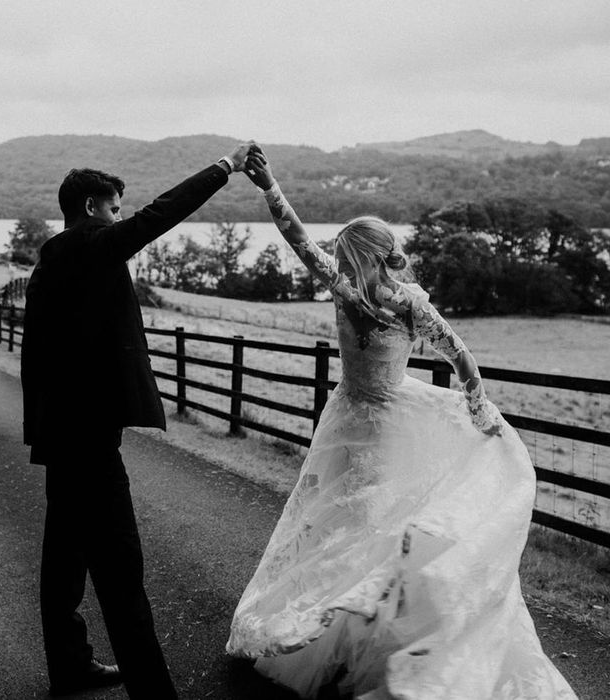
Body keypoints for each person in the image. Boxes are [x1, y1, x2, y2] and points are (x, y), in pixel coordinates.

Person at [226, 149, 577, 699]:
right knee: (333, 519)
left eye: (346, 254)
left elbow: (458, 354)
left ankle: (367, 628)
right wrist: (268, 185)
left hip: (385, 419)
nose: (338, 262)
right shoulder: (349, 288)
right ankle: (339, 629)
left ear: (365, 256)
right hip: (347, 417)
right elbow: (297, 237)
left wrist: (478, 406)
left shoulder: (398, 301)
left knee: (369, 519)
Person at [21, 142, 253, 698]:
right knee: (122, 574)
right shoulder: (92, 247)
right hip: (90, 446)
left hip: (62, 437)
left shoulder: (51, 259)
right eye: (116, 207)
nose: (122, 216)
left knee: (65, 566)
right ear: (95, 207)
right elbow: (162, 214)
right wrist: (227, 166)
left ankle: (72, 667)